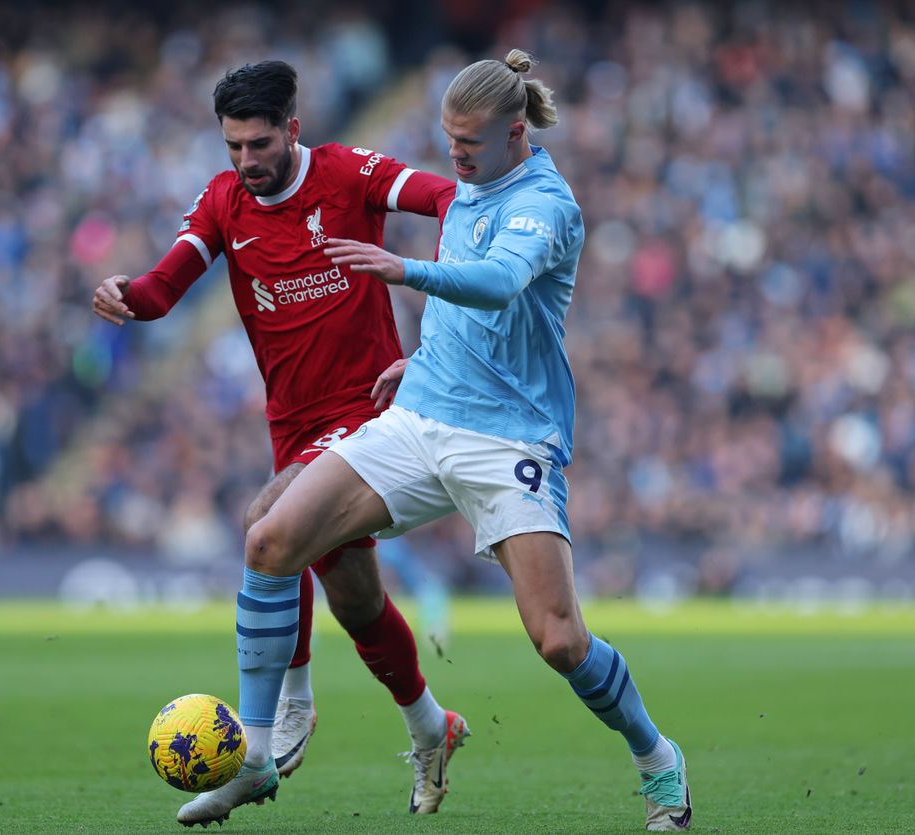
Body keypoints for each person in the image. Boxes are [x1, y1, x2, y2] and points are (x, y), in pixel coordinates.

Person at [196, 50, 694, 831]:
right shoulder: (469, 186)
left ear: (516, 131)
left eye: (469, 144)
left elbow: (497, 282)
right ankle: (256, 757)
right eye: (448, 140)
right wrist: (422, 359)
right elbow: (474, 309)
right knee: (270, 539)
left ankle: (657, 757)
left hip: (506, 440)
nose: (454, 158)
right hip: (421, 417)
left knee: (560, 641)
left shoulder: (544, 203)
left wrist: (403, 269)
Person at [90, 61, 469, 825]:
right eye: (232, 145)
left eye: (258, 144)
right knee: (358, 602)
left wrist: (444, 315)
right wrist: (125, 294)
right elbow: (165, 289)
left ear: (292, 129)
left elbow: (448, 197)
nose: (244, 161)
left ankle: (272, 730)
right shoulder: (224, 201)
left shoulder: (349, 174)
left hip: (369, 413)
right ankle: (433, 726)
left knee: (268, 527)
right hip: (293, 425)